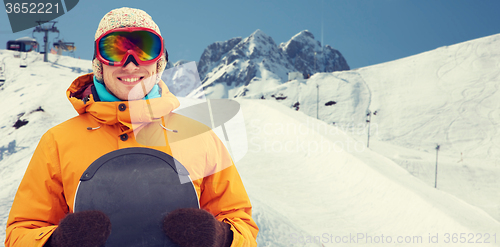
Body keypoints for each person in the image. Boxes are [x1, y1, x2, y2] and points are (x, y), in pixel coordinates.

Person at [5, 7, 258, 247]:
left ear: (159, 64)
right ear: (99, 64)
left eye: (144, 49)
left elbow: (242, 226)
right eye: (114, 51)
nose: (130, 64)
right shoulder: (58, 143)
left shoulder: (199, 138)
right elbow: (20, 233)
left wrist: (221, 237)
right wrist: (56, 241)